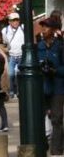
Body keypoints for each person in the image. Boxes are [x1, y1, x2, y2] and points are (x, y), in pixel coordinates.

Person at [39, 14, 64, 156]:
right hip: (43, 87)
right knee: (41, 117)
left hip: (58, 87)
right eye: (42, 26)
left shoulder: (60, 46)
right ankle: (43, 146)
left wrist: (55, 70)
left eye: (46, 26)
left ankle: (56, 149)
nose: (43, 29)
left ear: (54, 29)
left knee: (56, 118)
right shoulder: (39, 46)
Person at [2, 12, 23, 98]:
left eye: (17, 20)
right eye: (13, 20)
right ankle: (11, 91)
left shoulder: (23, 28)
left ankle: (19, 91)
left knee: (19, 75)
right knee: (10, 74)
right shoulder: (5, 30)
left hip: (21, 55)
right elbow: (4, 43)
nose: (15, 22)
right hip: (11, 56)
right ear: (9, 21)